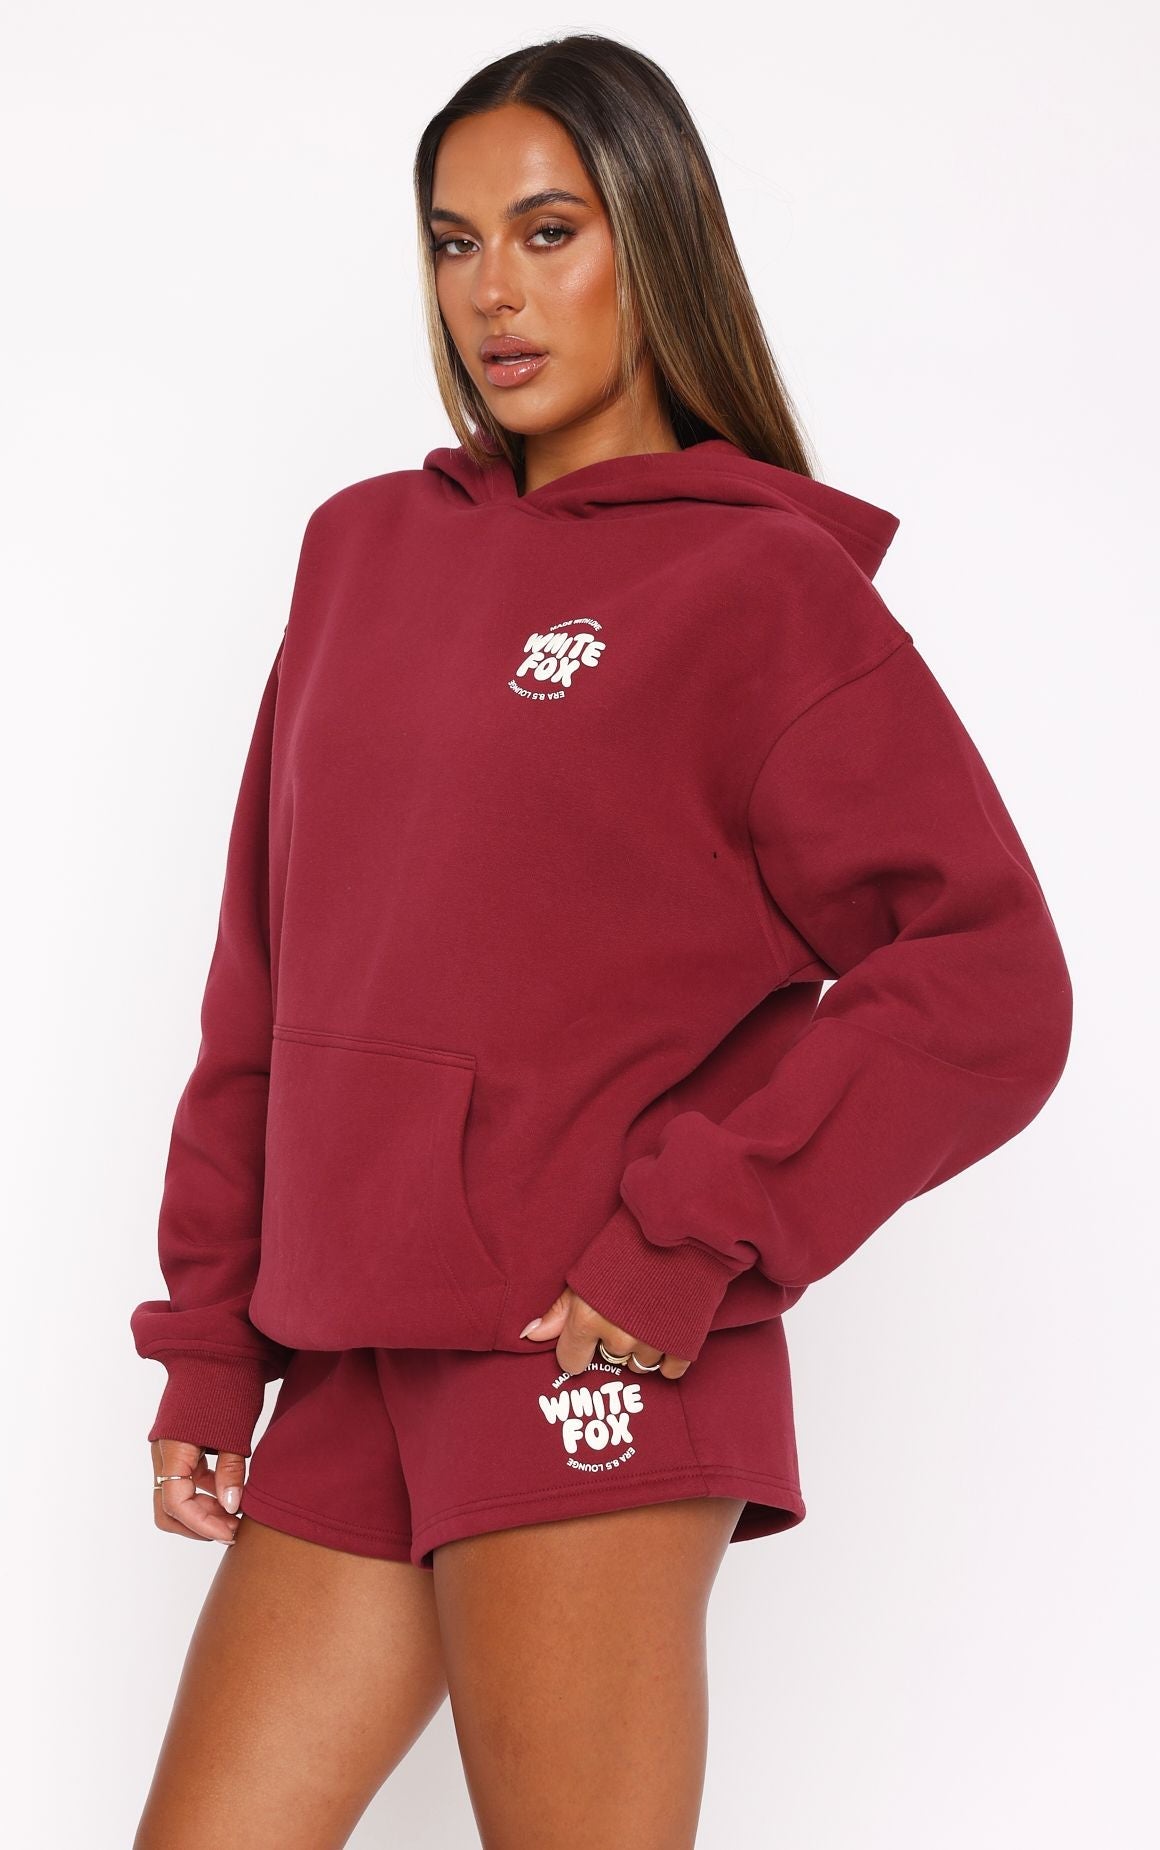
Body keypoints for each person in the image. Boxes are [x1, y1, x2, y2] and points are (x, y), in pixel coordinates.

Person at [129, 33, 1073, 1850]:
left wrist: (692, 1229)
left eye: (548, 231)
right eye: (454, 240)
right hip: (357, 1351)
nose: (494, 289)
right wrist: (211, 1340)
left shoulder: (758, 589)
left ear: (655, 238)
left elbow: (989, 978)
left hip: (583, 1357)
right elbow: (267, 973)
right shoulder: (360, 550)